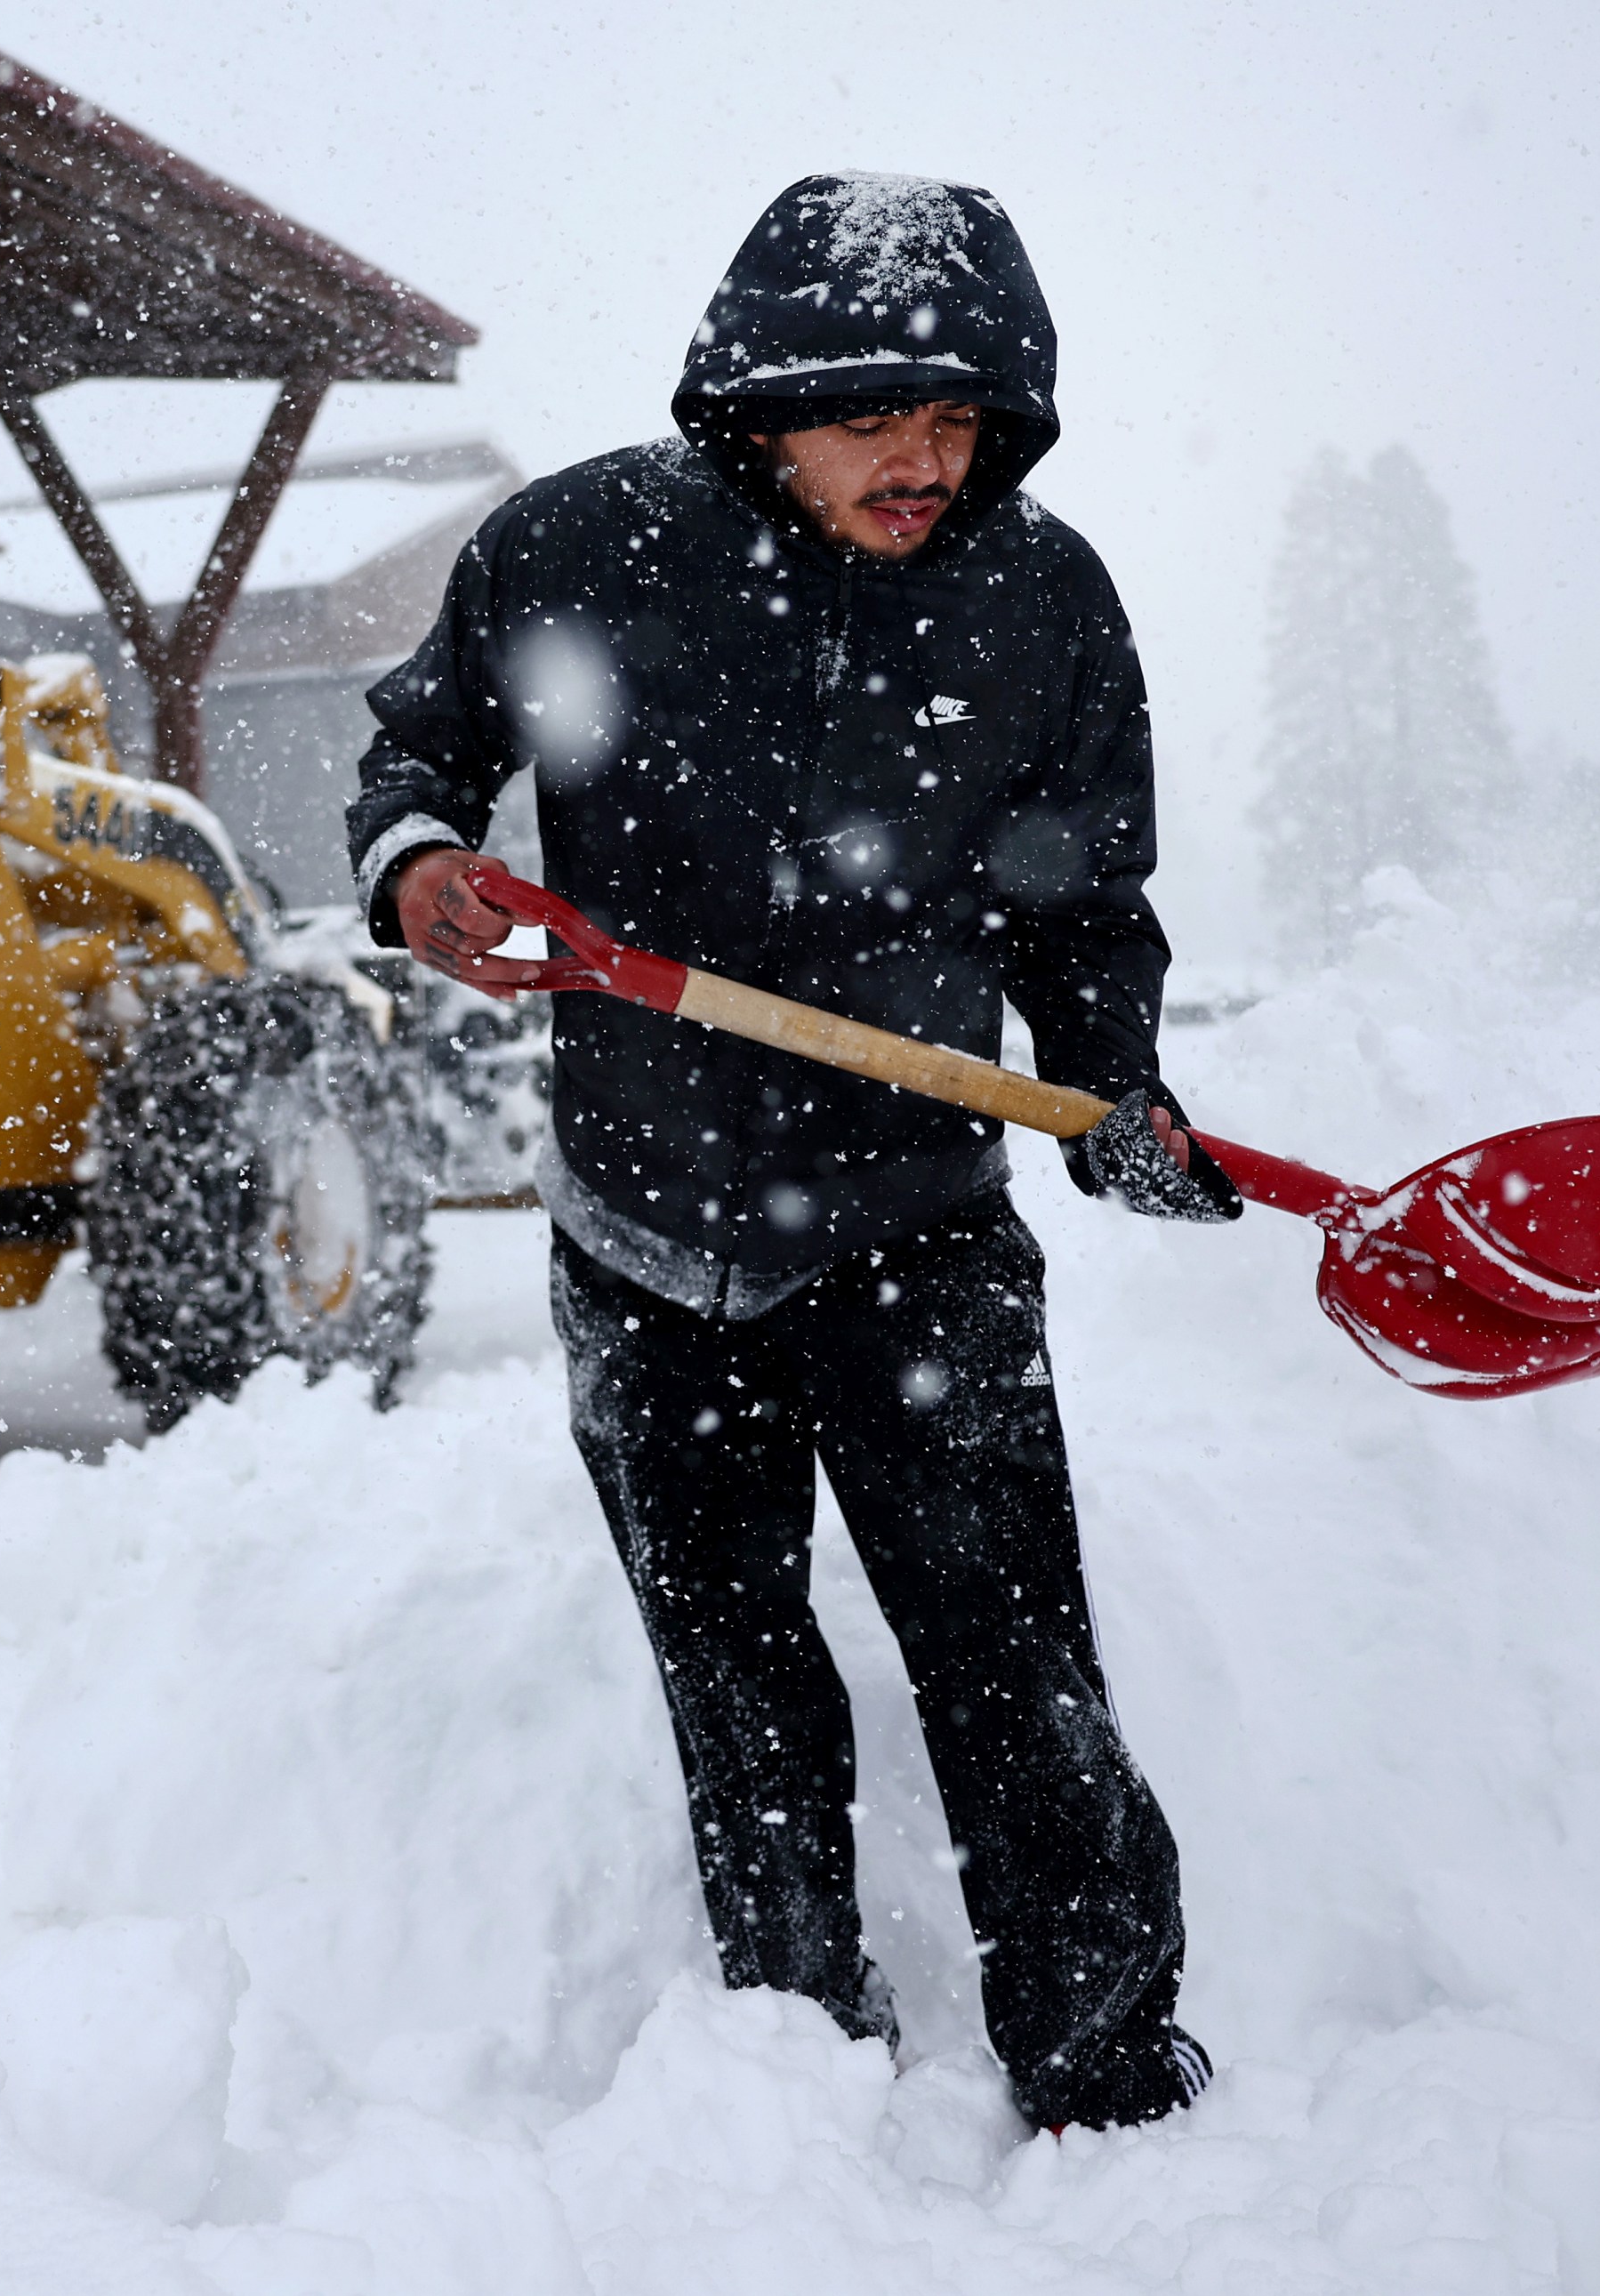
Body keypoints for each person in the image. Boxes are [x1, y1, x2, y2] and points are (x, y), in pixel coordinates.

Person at [344, 172, 1237, 2132]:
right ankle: (791, 2066)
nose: (925, 463)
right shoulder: (572, 550)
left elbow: (1085, 904)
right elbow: (414, 752)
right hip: (644, 1233)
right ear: (760, 404)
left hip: (918, 1225)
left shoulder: (1042, 597)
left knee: (1018, 1673)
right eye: (875, 420)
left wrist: (1117, 1093)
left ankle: (1102, 2068)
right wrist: (419, 868)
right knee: (735, 1679)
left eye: (960, 421)